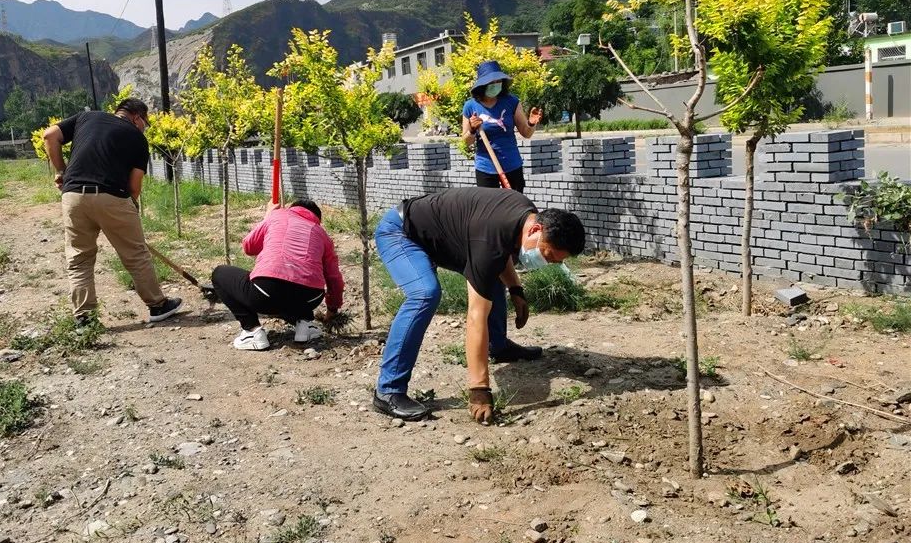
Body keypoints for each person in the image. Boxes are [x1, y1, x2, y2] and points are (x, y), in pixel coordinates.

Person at [372, 187, 585, 423]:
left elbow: (500, 252)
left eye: (554, 261)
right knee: (424, 294)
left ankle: (499, 346)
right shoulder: (489, 238)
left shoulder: (525, 216)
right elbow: (476, 317)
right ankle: (388, 390)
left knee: (490, 275)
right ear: (536, 230)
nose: (546, 263)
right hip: (401, 232)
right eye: (548, 255)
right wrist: (479, 389)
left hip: (444, 237)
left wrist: (516, 289)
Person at [43, 98, 183, 325]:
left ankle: (85, 320)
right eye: (144, 123)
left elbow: (49, 136)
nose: (143, 127)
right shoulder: (137, 138)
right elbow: (135, 187)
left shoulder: (86, 117)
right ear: (137, 117)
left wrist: (61, 170)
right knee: (136, 255)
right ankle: (157, 306)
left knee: (79, 259)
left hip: (73, 196)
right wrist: (127, 212)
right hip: (113, 196)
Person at [212, 199, 344, 351]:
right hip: (310, 298)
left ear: (292, 209)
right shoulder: (322, 235)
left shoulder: (277, 216)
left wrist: (267, 216)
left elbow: (249, 247)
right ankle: (305, 324)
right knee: (300, 279)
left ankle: (251, 331)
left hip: (267, 293)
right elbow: (334, 279)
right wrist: (332, 310)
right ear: (317, 219)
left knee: (219, 273)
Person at [461, 60, 543, 192]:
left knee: (514, 207)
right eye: (491, 82)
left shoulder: (511, 101)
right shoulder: (471, 106)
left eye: (497, 81)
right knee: (489, 208)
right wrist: (471, 129)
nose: (495, 85)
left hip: (511, 164)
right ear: (482, 85)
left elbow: (526, 133)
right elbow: (466, 141)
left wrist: (531, 123)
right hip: (485, 167)